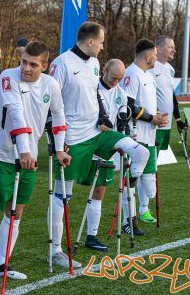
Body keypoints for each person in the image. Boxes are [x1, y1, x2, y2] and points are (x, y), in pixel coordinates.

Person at [48, 22, 149, 268]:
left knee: (140, 151)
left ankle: (131, 182)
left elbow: (94, 94)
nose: (103, 47)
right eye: (102, 42)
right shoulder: (61, 64)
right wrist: (54, 141)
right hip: (73, 139)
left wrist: (103, 115)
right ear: (91, 41)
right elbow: (49, 101)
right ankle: (55, 250)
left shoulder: (93, 64)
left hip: (98, 133)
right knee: (62, 196)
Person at [0, 41, 70, 279]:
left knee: (16, 209)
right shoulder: (8, 77)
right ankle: (1, 262)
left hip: (29, 156)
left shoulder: (51, 84)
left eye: (33, 64)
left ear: (44, 66)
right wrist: (24, 152)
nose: (26, 68)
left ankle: (1, 264)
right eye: (24, 61)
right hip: (5, 153)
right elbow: (14, 113)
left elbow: (58, 114)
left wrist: (59, 148)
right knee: (4, 204)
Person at [76, 59, 127, 251]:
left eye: (120, 79)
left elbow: (122, 120)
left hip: (105, 147)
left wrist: (122, 137)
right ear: (104, 70)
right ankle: (56, 240)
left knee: (99, 191)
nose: (115, 82)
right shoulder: (90, 87)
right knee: (67, 189)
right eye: (114, 78)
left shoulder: (121, 94)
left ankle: (91, 236)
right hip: (83, 142)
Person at [121, 39, 168, 230]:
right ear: (147, 55)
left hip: (149, 136)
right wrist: (151, 119)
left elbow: (147, 105)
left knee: (149, 187)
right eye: (155, 54)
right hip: (136, 135)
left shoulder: (148, 75)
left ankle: (140, 212)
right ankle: (128, 221)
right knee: (131, 180)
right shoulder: (131, 73)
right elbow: (128, 105)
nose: (157, 58)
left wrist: (157, 116)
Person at [148, 35, 187, 155]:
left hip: (167, 124)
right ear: (158, 48)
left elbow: (171, 96)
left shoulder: (170, 69)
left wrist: (178, 119)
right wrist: (156, 114)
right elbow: (147, 96)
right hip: (154, 124)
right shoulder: (150, 67)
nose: (174, 50)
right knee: (149, 161)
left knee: (156, 160)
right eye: (170, 47)